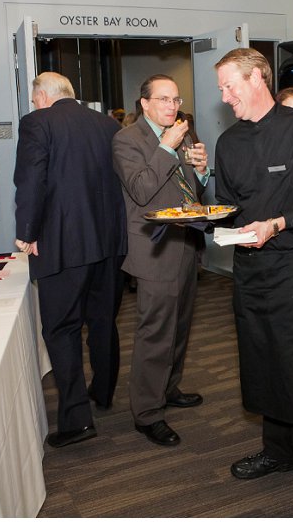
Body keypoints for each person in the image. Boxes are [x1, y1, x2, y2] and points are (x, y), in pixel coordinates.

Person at [214, 48, 293, 517]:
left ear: (257, 78)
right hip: (251, 271)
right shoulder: (228, 143)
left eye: (229, 86)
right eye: (222, 89)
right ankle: (277, 450)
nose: (224, 97)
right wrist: (202, 215)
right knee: (263, 360)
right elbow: (226, 207)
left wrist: (279, 223)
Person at [13, 71, 127, 449]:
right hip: (109, 241)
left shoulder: (37, 123)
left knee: (61, 328)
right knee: (103, 320)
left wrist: (27, 232)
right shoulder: (108, 125)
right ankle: (104, 392)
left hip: (64, 244)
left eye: (34, 99)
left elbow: (31, 181)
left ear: (43, 96)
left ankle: (77, 420)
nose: (34, 105)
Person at [112, 75, 209, 447]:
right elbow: (142, 189)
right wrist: (167, 148)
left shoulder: (181, 135)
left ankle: (168, 388)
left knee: (180, 325)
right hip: (153, 249)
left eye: (176, 99)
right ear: (144, 103)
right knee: (155, 332)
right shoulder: (127, 140)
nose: (172, 106)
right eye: (164, 99)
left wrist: (201, 171)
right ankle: (148, 412)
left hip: (185, 241)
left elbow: (188, 190)